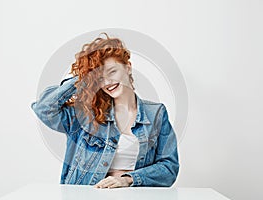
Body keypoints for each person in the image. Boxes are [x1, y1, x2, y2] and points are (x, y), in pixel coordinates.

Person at [31, 32, 179, 189]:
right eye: (100, 78)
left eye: (112, 72)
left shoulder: (156, 113)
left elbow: (169, 167)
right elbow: (43, 109)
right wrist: (81, 79)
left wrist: (128, 179)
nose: (108, 82)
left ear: (128, 68)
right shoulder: (87, 115)